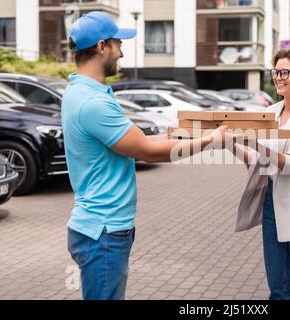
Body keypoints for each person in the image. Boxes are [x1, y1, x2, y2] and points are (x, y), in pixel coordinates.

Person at [62, 11, 228, 300]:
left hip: (99, 228)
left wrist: (194, 134)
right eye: (117, 44)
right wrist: (211, 141)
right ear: (102, 47)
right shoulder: (92, 102)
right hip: (103, 232)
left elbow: (137, 140)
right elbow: (148, 152)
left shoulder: (80, 91)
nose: (122, 52)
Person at [231, 46, 290, 300]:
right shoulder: (272, 112)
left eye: (285, 72)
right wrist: (229, 144)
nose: (278, 77)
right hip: (271, 205)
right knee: (278, 289)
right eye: (275, 72)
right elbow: (258, 162)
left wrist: (254, 143)